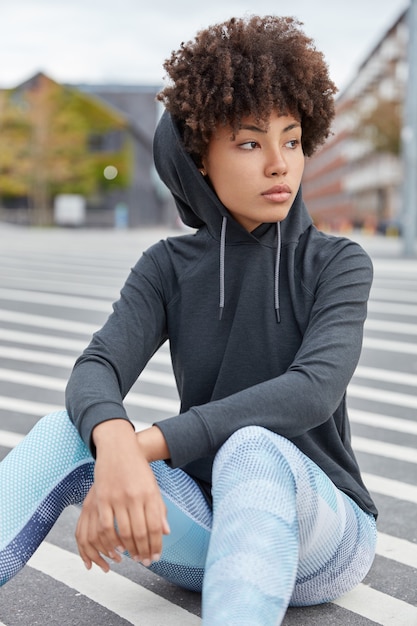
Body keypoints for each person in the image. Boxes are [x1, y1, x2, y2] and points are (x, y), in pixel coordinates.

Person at [0, 15, 377, 625]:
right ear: (201, 157)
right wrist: (111, 438)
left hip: (323, 538)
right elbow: (98, 367)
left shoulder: (336, 263)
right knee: (63, 432)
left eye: (292, 138)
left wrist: (141, 443)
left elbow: (312, 391)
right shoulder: (168, 266)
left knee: (254, 449)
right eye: (251, 142)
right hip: (204, 528)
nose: (281, 163)